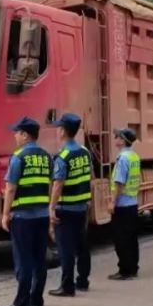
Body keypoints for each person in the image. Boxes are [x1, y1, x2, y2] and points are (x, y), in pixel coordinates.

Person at [1, 117, 52, 306]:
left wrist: (5, 214)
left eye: (17, 132)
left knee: (24, 260)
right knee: (40, 258)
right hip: (41, 215)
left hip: (22, 217)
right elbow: (48, 184)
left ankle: (22, 303)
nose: (14, 135)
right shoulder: (47, 156)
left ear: (25, 135)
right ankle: (37, 298)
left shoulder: (18, 157)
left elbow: (11, 189)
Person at [48, 114, 93, 296]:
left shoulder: (62, 156)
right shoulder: (85, 151)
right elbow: (90, 177)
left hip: (65, 210)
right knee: (82, 246)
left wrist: (51, 208)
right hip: (81, 207)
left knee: (66, 249)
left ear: (63, 131)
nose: (57, 130)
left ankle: (67, 287)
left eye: (59, 127)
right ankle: (83, 280)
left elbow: (58, 184)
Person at [108, 128, 142, 280]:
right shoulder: (134, 156)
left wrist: (112, 201)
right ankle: (133, 268)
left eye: (117, 136)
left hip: (122, 204)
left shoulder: (122, 158)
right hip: (132, 203)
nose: (115, 138)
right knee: (132, 238)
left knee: (121, 239)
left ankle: (125, 270)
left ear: (123, 140)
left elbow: (119, 182)